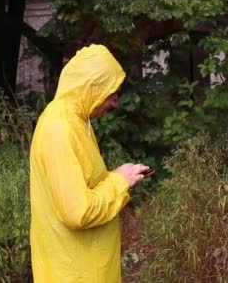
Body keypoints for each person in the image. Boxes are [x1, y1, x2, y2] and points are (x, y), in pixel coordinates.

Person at [29, 44, 150, 282]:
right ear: (90, 88)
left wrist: (119, 176)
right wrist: (118, 182)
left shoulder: (77, 120)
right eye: (110, 93)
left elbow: (84, 185)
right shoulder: (60, 128)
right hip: (73, 271)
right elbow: (78, 212)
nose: (114, 103)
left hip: (86, 265)